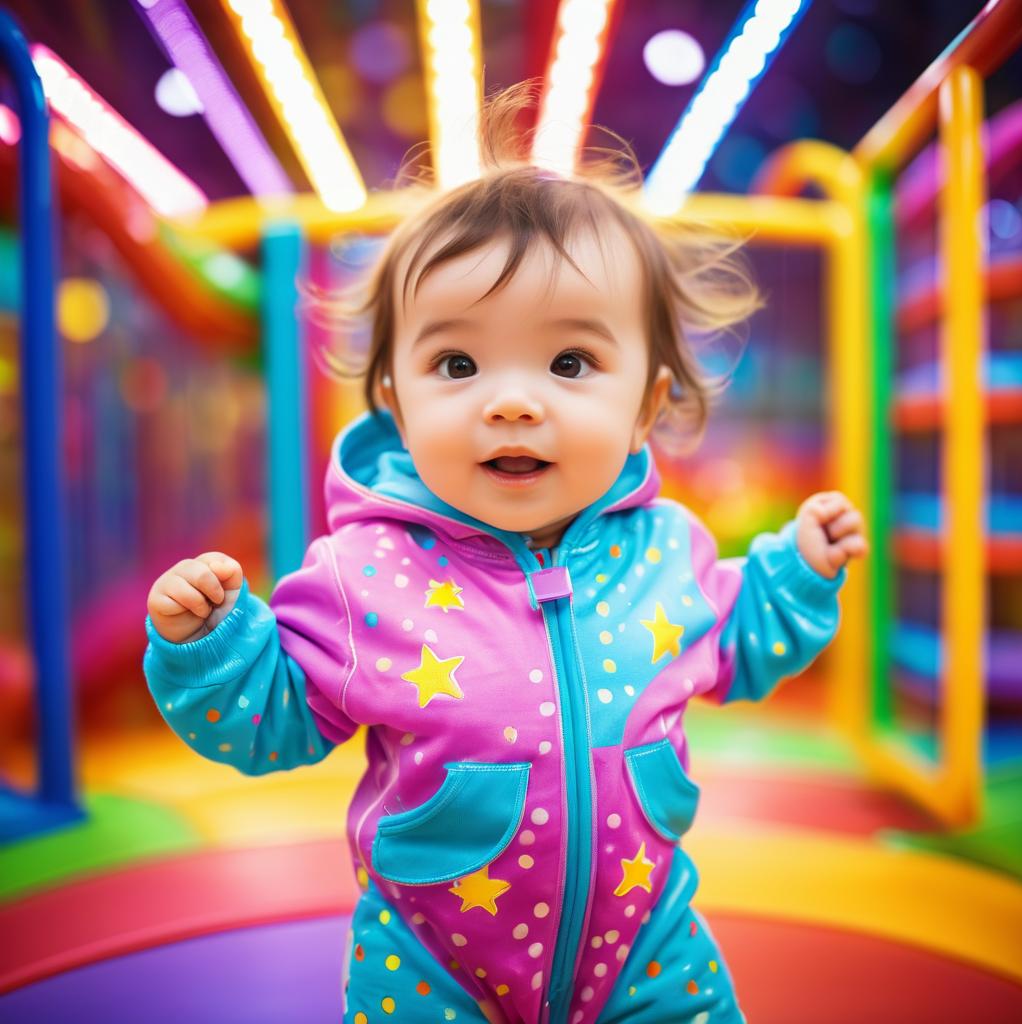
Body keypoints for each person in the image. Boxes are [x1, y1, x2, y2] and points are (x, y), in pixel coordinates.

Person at [144, 84, 867, 1024]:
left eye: (569, 364)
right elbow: (272, 718)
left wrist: (798, 572)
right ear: (397, 406)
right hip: (430, 961)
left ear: (645, 407)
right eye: (457, 365)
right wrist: (213, 646)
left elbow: (739, 636)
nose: (513, 402)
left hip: (645, 948)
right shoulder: (361, 576)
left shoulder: (668, 554)